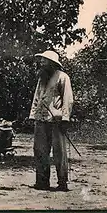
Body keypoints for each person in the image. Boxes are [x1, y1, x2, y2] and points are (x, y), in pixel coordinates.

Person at [28, 50, 74, 192]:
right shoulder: (41, 79)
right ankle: (42, 181)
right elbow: (37, 98)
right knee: (40, 150)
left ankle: (62, 182)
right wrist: (32, 115)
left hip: (56, 120)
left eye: (44, 61)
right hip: (41, 120)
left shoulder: (62, 77)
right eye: (41, 60)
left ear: (52, 63)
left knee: (59, 152)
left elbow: (68, 99)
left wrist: (65, 118)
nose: (41, 63)